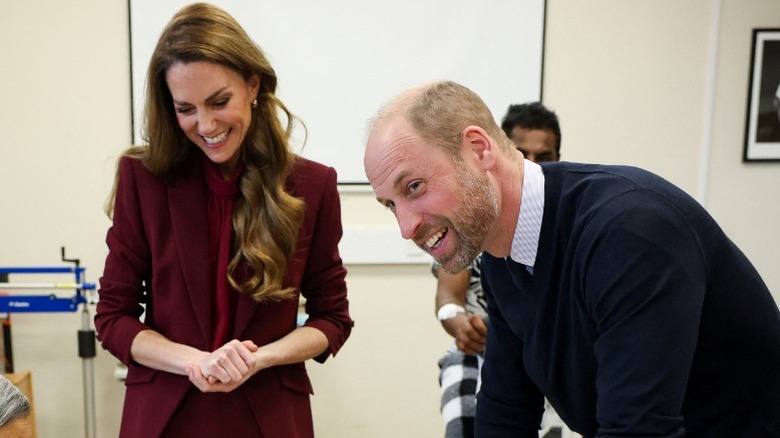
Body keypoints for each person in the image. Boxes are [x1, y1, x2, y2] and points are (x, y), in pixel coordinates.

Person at [364, 80, 780, 437]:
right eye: (390, 204)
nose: (406, 227)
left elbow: (637, 429)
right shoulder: (500, 253)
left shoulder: (629, 232)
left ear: (478, 149)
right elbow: (506, 410)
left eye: (414, 186)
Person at [95, 3, 353, 437]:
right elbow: (113, 318)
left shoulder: (312, 184)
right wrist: (195, 360)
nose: (206, 124)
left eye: (219, 101)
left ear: (253, 85)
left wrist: (259, 359)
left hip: (267, 417)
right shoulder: (143, 180)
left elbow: (333, 320)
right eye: (186, 109)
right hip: (164, 418)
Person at [434, 102, 561, 438]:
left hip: (546, 358)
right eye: (523, 153)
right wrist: (462, 324)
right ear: (500, 152)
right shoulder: (471, 222)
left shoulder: (565, 228)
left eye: (544, 156)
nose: (531, 165)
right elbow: (447, 298)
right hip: (476, 356)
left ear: (558, 159)